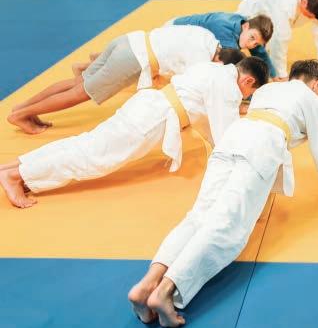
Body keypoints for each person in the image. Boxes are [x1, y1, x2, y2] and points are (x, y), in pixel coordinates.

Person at [127, 60, 318, 328]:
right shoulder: (311, 98)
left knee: (198, 215)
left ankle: (147, 284)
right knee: (226, 225)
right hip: (260, 148)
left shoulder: (267, 90)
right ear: (317, 85)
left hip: (232, 139)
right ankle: (166, 291)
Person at [0, 56, 269, 208]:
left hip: (148, 106)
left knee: (85, 145)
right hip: (151, 120)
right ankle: (16, 176)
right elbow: (226, 137)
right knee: (93, 158)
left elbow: (207, 125)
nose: (245, 97)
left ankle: (16, 167)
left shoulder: (213, 69)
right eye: (249, 92)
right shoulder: (228, 87)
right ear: (248, 80)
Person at [8, 25, 241, 134]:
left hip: (130, 40)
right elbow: (190, 93)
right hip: (133, 60)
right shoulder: (201, 61)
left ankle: (23, 107)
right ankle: (20, 115)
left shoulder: (207, 36)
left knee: (77, 84)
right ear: (221, 65)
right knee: (80, 94)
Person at [237, 0, 318, 79]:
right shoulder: (286, 4)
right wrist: (280, 73)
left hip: (272, 15)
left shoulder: (317, 1)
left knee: (263, 47)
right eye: (309, 16)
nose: (310, 19)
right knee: (240, 39)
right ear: (304, 2)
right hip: (253, 11)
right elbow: (281, 39)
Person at [167, 12, 276, 77]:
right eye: (252, 38)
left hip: (185, 36)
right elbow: (235, 70)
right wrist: (253, 94)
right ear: (246, 26)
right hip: (172, 35)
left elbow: (260, 52)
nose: (252, 45)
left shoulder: (246, 27)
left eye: (256, 43)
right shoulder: (225, 31)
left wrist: (274, 75)